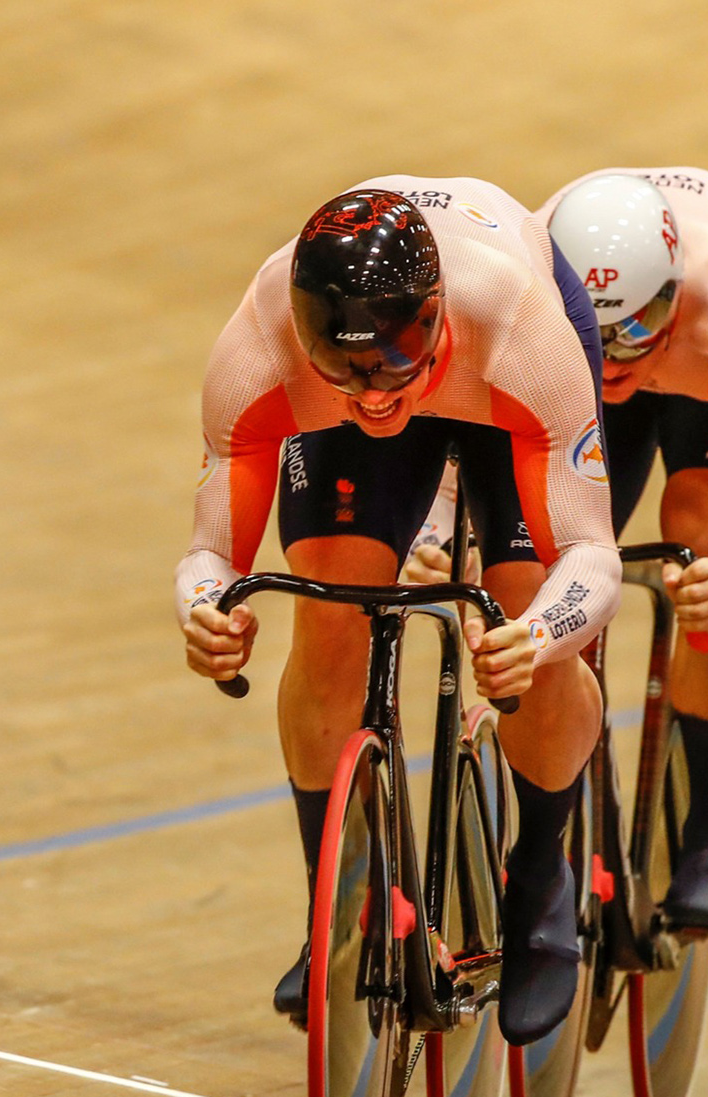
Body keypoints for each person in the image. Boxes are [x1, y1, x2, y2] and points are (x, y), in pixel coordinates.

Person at [177, 180, 621, 1045]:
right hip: (387, 392)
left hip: (498, 396)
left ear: (437, 316)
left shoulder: (519, 328)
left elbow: (593, 556)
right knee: (330, 614)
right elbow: (209, 554)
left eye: (390, 364)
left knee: (527, 617)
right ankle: (338, 909)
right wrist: (203, 613)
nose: (372, 393)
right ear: (305, 339)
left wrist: (537, 637)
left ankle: (539, 876)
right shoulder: (256, 350)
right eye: (343, 367)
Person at [535, 168, 708, 933]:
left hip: (705, 357)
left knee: (702, 527)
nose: (619, 360)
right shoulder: (531, 294)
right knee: (541, 556)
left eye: (634, 328)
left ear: (676, 288)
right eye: (601, 337)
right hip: (578, 348)